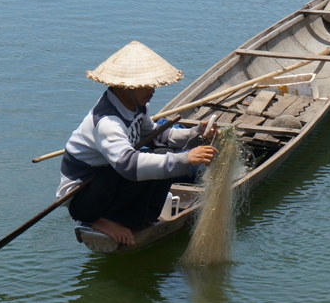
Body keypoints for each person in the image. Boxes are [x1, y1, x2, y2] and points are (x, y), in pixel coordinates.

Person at [56, 40, 217, 245]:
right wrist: (185, 159)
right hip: (85, 198)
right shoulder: (108, 122)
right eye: (147, 85)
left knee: (163, 153)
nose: (153, 89)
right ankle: (100, 221)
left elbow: (157, 136)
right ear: (126, 87)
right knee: (162, 161)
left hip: (110, 181)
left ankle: (142, 220)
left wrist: (195, 134)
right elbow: (128, 166)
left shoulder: (137, 106)